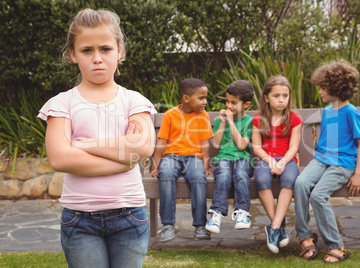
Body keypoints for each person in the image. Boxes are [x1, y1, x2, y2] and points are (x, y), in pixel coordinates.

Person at [37, 8, 156, 268]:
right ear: (73, 54)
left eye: (105, 49)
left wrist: (82, 145)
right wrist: (124, 160)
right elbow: (60, 158)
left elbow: (142, 147)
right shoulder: (62, 103)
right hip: (80, 221)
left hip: (130, 217)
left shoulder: (134, 101)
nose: (97, 58)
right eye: (87, 50)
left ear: (120, 52)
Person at [294, 60, 360, 263]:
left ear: (337, 88)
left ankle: (336, 246)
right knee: (300, 184)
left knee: (318, 195)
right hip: (322, 160)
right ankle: (305, 235)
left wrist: (358, 174)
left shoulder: (351, 112)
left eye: (323, 88)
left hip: (342, 164)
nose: (320, 92)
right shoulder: (327, 111)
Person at [149, 78, 213, 243]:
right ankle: (168, 225)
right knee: (167, 176)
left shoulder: (203, 116)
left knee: (198, 178)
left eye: (205, 97)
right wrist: (155, 167)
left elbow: (205, 144)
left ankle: (200, 226)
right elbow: (161, 142)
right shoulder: (170, 115)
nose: (205, 101)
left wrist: (205, 167)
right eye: (201, 98)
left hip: (194, 157)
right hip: (172, 156)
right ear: (186, 98)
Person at [252, 75, 302, 254]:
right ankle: (278, 226)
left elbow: (294, 147)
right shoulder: (258, 119)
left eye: (285, 96)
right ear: (266, 97)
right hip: (266, 159)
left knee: (289, 178)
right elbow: (257, 147)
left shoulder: (294, 119)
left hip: (288, 159)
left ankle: (273, 228)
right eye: (276, 96)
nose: (281, 100)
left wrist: (282, 162)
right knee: (262, 179)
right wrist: (271, 160)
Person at [205, 80, 254, 234]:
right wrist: (222, 123)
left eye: (234, 102)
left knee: (240, 174)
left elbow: (242, 146)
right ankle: (217, 213)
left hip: (243, 159)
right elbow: (216, 145)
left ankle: (242, 212)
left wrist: (231, 122)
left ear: (246, 105)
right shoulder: (221, 120)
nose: (229, 106)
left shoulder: (249, 122)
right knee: (224, 175)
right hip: (224, 158)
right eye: (227, 101)